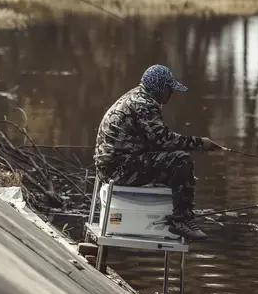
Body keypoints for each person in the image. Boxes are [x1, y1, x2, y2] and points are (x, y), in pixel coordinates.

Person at [94, 64, 223, 240]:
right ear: (160, 88)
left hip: (113, 167)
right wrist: (200, 143)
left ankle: (180, 216)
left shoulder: (135, 97)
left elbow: (155, 141)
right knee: (180, 160)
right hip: (117, 171)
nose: (171, 93)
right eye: (170, 89)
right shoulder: (144, 104)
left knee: (176, 165)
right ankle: (181, 220)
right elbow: (163, 140)